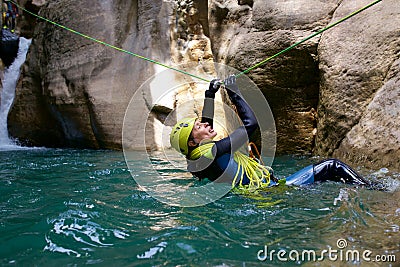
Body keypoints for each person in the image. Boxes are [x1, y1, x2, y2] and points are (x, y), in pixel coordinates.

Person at [169, 75, 370, 189]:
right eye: (199, 127)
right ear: (193, 142)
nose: (205, 125)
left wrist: (210, 94)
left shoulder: (196, 161)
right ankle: (375, 190)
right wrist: (235, 92)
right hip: (273, 190)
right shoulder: (211, 152)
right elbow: (251, 124)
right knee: (332, 166)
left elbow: (205, 126)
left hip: (261, 190)